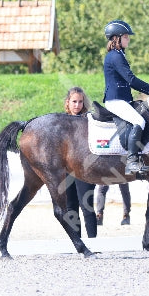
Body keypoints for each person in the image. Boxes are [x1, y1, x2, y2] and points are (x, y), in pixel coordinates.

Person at [102, 19, 149, 175]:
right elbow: (131, 79)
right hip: (115, 100)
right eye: (126, 36)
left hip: (122, 98)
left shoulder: (118, 55)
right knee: (139, 121)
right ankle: (131, 161)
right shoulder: (115, 56)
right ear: (117, 38)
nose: (128, 39)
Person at [63, 87, 99, 238]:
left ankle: (93, 242)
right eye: (74, 101)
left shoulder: (89, 120)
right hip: (66, 170)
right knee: (70, 207)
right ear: (68, 102)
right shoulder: (61, 121)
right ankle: (78, 243)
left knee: (87, 205)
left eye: (80, 101)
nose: (77, 105)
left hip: (84, 169)